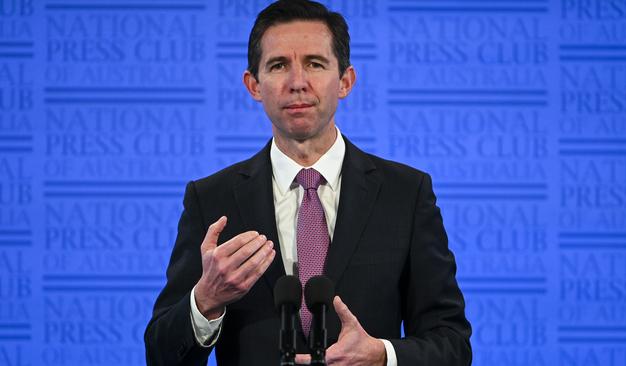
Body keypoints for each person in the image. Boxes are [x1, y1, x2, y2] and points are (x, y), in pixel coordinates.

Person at [144, 1, 472, 365]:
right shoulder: (211, 199)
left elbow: (452, 344)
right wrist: (205, 300)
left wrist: (382, 355)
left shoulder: (406, 194)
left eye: (315, 64)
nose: (297, 82)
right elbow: (161, 355)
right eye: (278, 65)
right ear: (253, 85)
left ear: (345, 81)